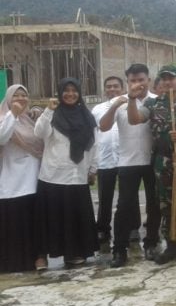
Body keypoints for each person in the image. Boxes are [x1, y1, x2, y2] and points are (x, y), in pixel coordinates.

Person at [127, 65, 176, 265]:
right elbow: (135, 119)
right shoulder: (153, 104)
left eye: (171, 78)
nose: (167, 82)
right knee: (165, 204)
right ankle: (172, 247)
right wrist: (131, 99)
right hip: (162, 162)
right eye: (164, 79)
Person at [100, 64, 161, 267]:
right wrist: (114, 106)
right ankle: (119, 249)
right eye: (133, 80)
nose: (137, 84)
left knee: (154, 204)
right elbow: (104, 126)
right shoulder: (119, 102)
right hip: (128, 161)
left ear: (148, 80)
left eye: (141, 80)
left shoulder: (156, 101)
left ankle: (151, 243)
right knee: (124, 206)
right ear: (127, 82)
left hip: (152, 160)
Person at [34, 78, 99, 268]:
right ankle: (42, 255)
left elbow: (95, 144)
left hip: (77, 175)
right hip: (53, 176)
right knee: (50, 218)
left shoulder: (87, 116)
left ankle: (73, 253)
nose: (70, 94)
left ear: (79, 93)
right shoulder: (53, 114)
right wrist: (48, 110)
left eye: (74, 90)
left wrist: (93, 169)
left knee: (74, 217)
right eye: (66, 90)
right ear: (60, 92)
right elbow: (39, 133)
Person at [0, 85, 44, 272]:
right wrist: (13, 115)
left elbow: (40, 142)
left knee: (33, 222)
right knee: (14, 223)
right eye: (15, 95)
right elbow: (2, 138)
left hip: (33, 177)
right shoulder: (3, 118)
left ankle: (37, 257)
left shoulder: (30, 120)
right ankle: (13, 262)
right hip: (11, 180)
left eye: (23, 95)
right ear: (8, 99)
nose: (20, 98)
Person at [90, 76, 125, 246]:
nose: (112, 89)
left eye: (115, 86)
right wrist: (92, 163)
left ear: (122, 88)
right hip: (104, 159)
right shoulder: (97, 109)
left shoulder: (129, 106)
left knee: (128, 197)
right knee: (105, 198)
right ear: (104, 90)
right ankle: (103, 229)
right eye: (109, 87)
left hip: (125, 158)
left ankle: (130, 228)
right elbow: (92, 135)